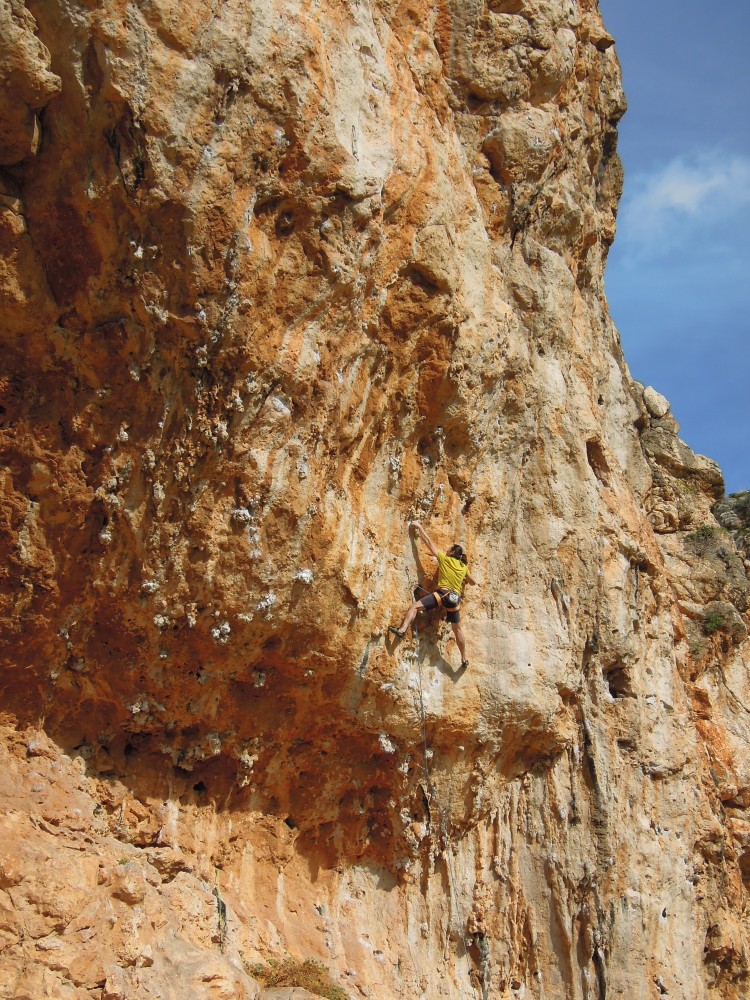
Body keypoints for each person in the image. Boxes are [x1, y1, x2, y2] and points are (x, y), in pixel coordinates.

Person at [390, 521, 476, 669]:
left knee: (415, 606)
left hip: (443, 594)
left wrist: (419, 527)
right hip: (454, 599)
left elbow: (429, 542)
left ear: (452, 553)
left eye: (449, 549)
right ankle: (464, 658)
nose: (447, 549)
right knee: (457, 629)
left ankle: (402, 630)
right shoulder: (463, 567)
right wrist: (465, 580)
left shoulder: (445, 559)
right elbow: (473, 582)